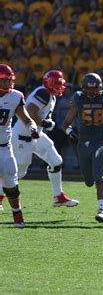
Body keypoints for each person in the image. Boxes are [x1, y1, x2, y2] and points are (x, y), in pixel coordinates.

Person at [12, 70, 79, 207]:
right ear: (48, 83)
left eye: (60, 83)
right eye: (56, 83)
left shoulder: (50, 95)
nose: (59, 86)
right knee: (19, 173)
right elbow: (30, 112)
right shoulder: (44, 93)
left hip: (36, 134)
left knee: (56, 161)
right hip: (23, 135)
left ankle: (58, 196)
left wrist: (43, 124)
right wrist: (44, 123)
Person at [62, 73, 103, 222]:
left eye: (95, 88)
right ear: (83, 87)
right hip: (84, 141)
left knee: (99, 177)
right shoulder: (78, 98)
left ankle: (101, 210)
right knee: (88, 180)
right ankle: (94, 189)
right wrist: (70, 133)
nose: (91, 92)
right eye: (88, 89)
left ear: (100, 87)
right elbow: (66, 123)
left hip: (101, 140)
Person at [0, 64, 39, 227]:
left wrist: (32, 127)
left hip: (4, 146)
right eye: (6, 80)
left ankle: (17, 217)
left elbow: (26, 118)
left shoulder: (15, 96)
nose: (9, 83)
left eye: (10, 80)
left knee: (11, 180)